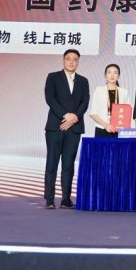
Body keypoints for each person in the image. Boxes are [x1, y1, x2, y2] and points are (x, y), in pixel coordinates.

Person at [43, 48, 90, 209]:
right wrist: (65, 115)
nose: (72, 62)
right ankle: (49, 199)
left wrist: (74, 117)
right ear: (63, 60)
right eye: (68, 58)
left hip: (74, 128)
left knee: (68, 165)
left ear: (78, 62)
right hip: (55, 127)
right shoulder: (53, 77)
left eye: (75, 59)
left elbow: (85, 102)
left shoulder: (83, 81)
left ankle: (66, 199)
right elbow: (50, 98)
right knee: (52, 162)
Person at [89, 63, 131, 138]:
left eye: (115, 73)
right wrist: (105, 125)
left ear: (118, 76)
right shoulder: (99, 90)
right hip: (101, 128)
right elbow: (93, 113)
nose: (112, 75)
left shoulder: (124, 92)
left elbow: (127, 113)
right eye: (109, 72)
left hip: (118, 130)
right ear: (105, 75)